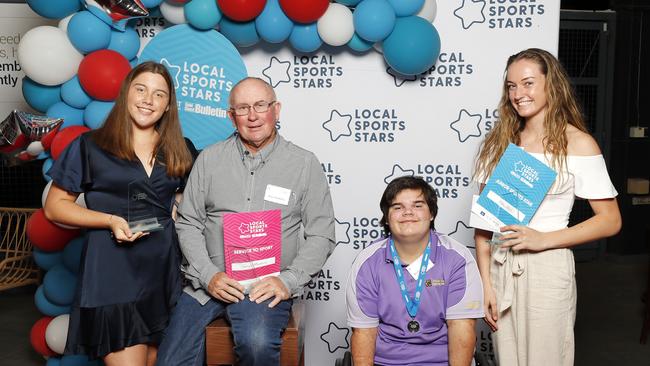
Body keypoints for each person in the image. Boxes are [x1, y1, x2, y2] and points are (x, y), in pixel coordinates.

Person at [156, 77, 336, 366]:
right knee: (170, 361)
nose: (252, 116)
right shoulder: (209, 160)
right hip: (211, 282)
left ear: (276, 110)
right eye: (242, 108)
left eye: (260, 105)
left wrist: (287, 281)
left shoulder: (304, 164)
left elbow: (322, 234)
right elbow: (188, 222)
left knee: (256, 345)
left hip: (264, 287)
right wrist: (208, 275)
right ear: (231, 116)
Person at [473, 48, 622, 366]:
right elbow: (485, 225)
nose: (518, 94)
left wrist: (542, 239)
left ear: (550, 84)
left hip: (549, 266)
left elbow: (610, 220)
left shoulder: (578, 144)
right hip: (502, 266)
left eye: (527, 83)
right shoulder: (498, 143)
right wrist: (486, 283)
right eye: (511, 86)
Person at [44, 61, 197, 365]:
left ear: (168, 106)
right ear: (126, 94)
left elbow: (182, 204)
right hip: (114, 274)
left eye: (159, 94)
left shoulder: (181, 148)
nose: (148, 100)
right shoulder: (91, 146)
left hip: (164, 275)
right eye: (140, 89)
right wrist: (110, 220)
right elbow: (54, 208)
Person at [346, 176, 484, 366]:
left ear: (432, 214)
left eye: (418, 205)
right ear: (387, 218)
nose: (408, 212)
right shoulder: (367, 262)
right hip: (386, 362)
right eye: (397, 207)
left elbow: (462, 327)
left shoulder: (457, 258)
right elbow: (364, 333)